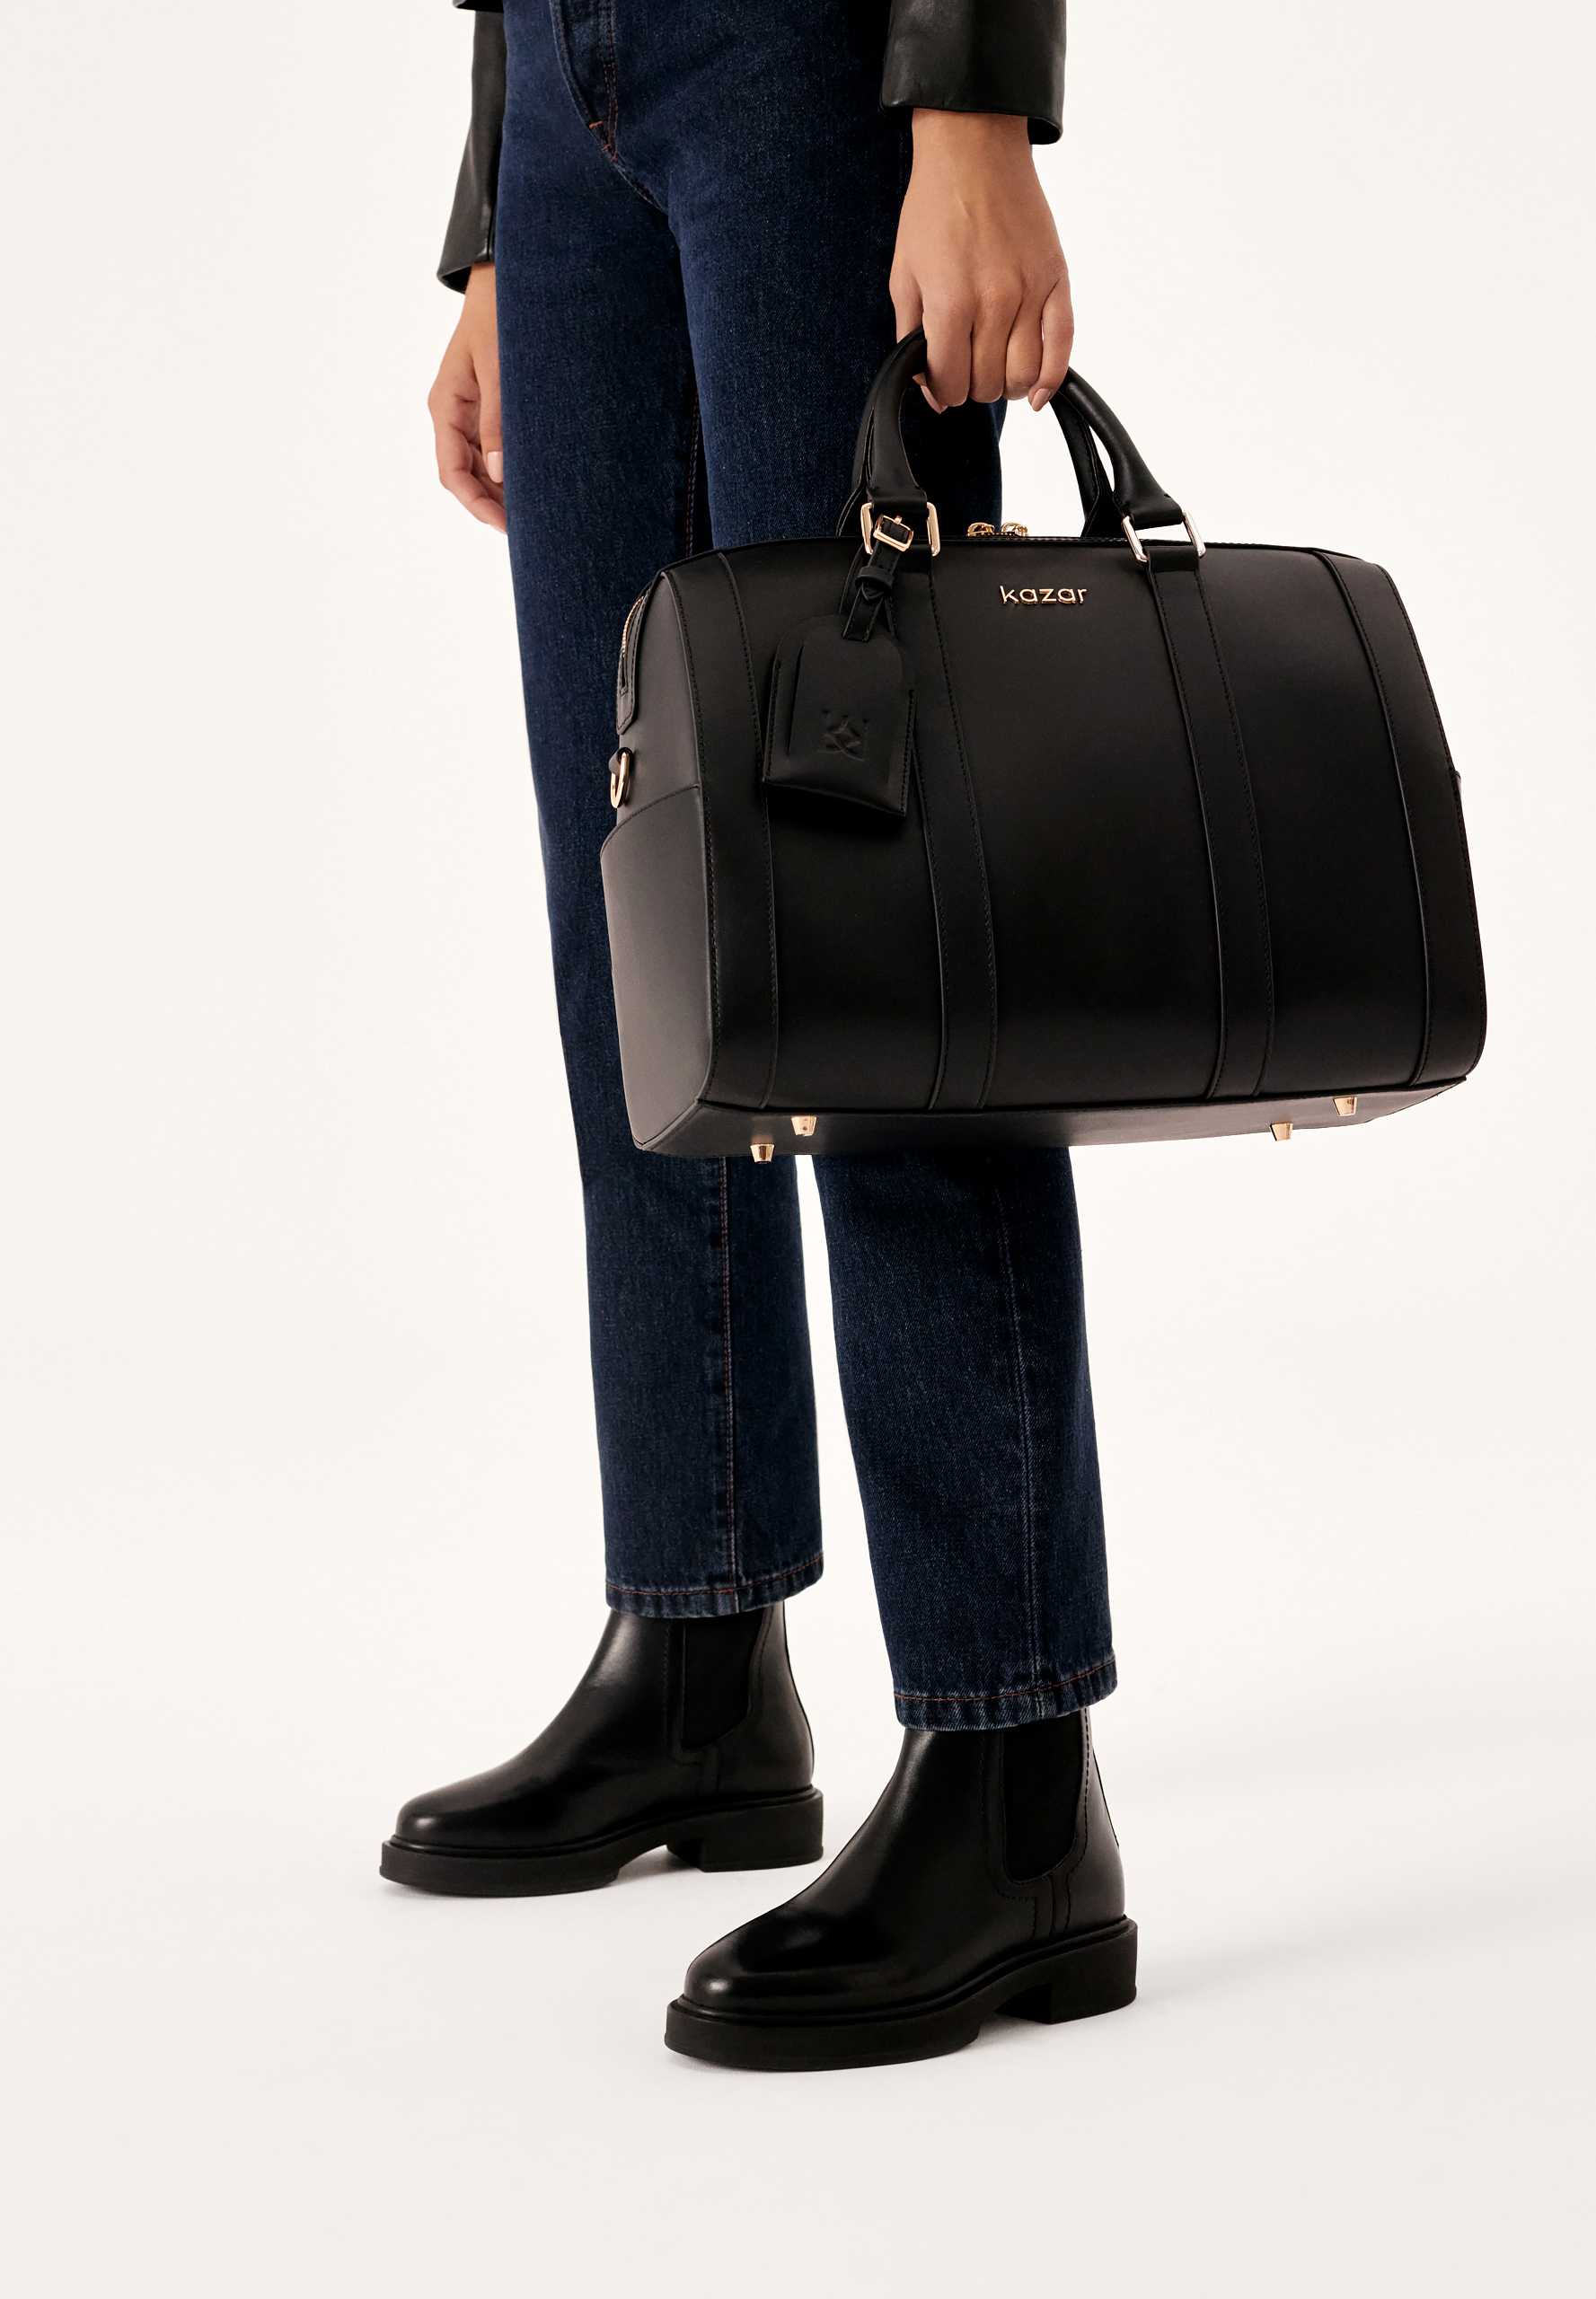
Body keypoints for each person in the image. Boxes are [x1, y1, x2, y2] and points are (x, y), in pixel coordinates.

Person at [382, 0, 1135, 2072]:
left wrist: (970, 101)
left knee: (879, 908)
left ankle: (1010, 1764)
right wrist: (500, 214)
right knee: (633, 896)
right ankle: (696, 1655)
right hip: (565, 91)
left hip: (810, 64)